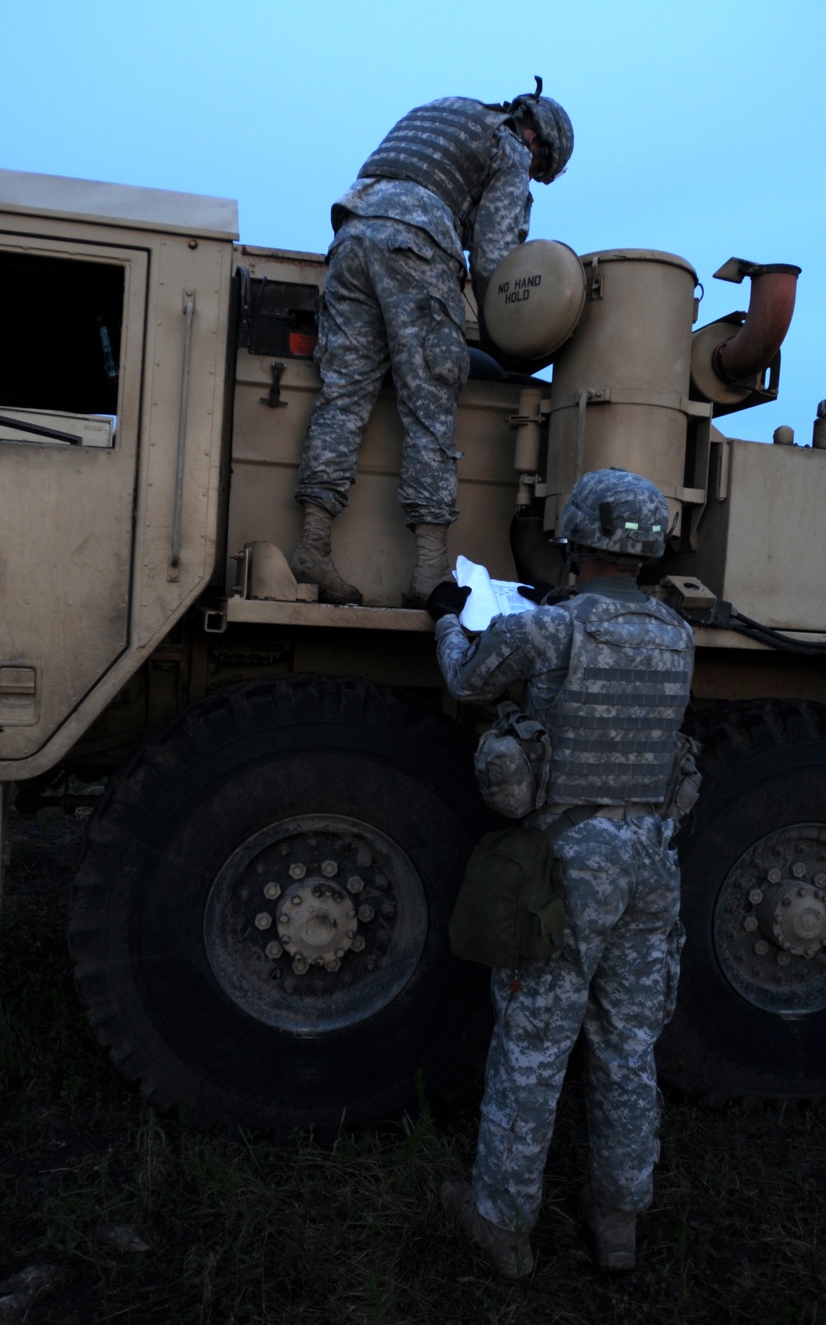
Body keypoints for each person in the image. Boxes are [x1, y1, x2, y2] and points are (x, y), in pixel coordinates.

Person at [429, 469, 695, 1278]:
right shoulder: (678, 635)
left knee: (535, 1043)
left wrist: (445, 615)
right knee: (627, 1047)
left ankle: (503, 1222)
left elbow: (467, 677)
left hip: (570, 867)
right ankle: (618, 1222)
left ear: (576, 541)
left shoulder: (552, 628)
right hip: (653, 860)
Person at [291, 81, 574, 607]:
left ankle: (312, 544)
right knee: (431, 402)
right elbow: (494, 256)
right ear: (537, 138)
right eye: (540, 172)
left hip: (351, 234)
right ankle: (428, 570)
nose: (531, 176)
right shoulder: (510, 146)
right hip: (416, 247)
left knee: (343, 395)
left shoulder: (443, 109)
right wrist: (504, 335)